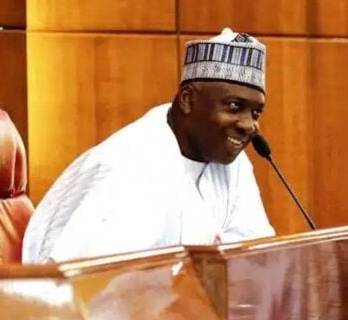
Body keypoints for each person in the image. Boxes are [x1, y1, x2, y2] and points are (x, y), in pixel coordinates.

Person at [23, 28, 274, 264]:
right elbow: (93, 284)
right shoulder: (132, 164)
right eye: (234, 106)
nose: (248, 125)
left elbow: (255, 256)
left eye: (256, 112)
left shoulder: (232, 162)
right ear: (187, 100)